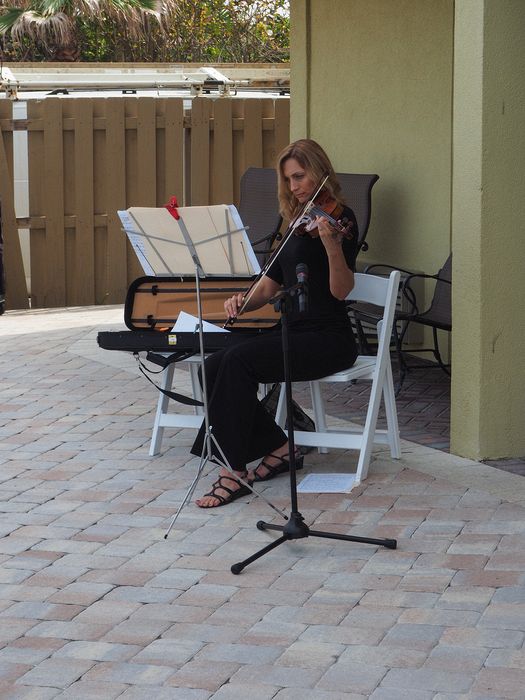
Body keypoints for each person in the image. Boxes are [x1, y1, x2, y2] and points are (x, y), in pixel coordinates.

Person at [191, 139, 359, 508]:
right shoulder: (296, 221)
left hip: (328, 337)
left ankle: (233, 470)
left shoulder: (340, 219)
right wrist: (243, 303)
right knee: (212, 366)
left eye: (300, 176)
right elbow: (270, 284)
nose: (295, 186)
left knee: (237, 363)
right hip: (294, 330)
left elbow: (342, 291)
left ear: (319, 171)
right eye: (289, 179)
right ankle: (280, 446)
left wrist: (332, 246)